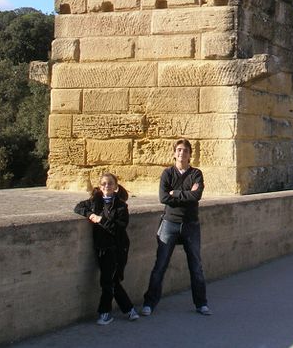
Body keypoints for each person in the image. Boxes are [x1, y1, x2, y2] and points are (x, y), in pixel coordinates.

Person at [142, 138, 210, 316]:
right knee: (160, 265)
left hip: (190, 225)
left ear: (189, 155)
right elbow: (163, 198)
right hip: (169, 223)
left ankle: (201, 303)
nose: (182, 153)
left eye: (185, 150)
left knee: (196, 266)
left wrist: (176, 193)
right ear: (174, 153)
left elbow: (196, 196)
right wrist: (186, 194)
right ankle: (149, 304)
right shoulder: (167, 173)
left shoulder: (196, 174)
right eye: (179, 150)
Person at [74, 172, 139, 325]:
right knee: (112, 281)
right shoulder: (95, 201)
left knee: (107, 281)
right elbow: (78, 207)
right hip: (102, 247)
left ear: (115, 186)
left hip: (117, 248)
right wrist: (90, 214)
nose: (107, 186)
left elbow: (119, 227)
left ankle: (105, 312)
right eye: (104, 184)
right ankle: (129, 310)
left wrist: (100, 220)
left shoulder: (121, 205)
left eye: (110, 183)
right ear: (100, 186)